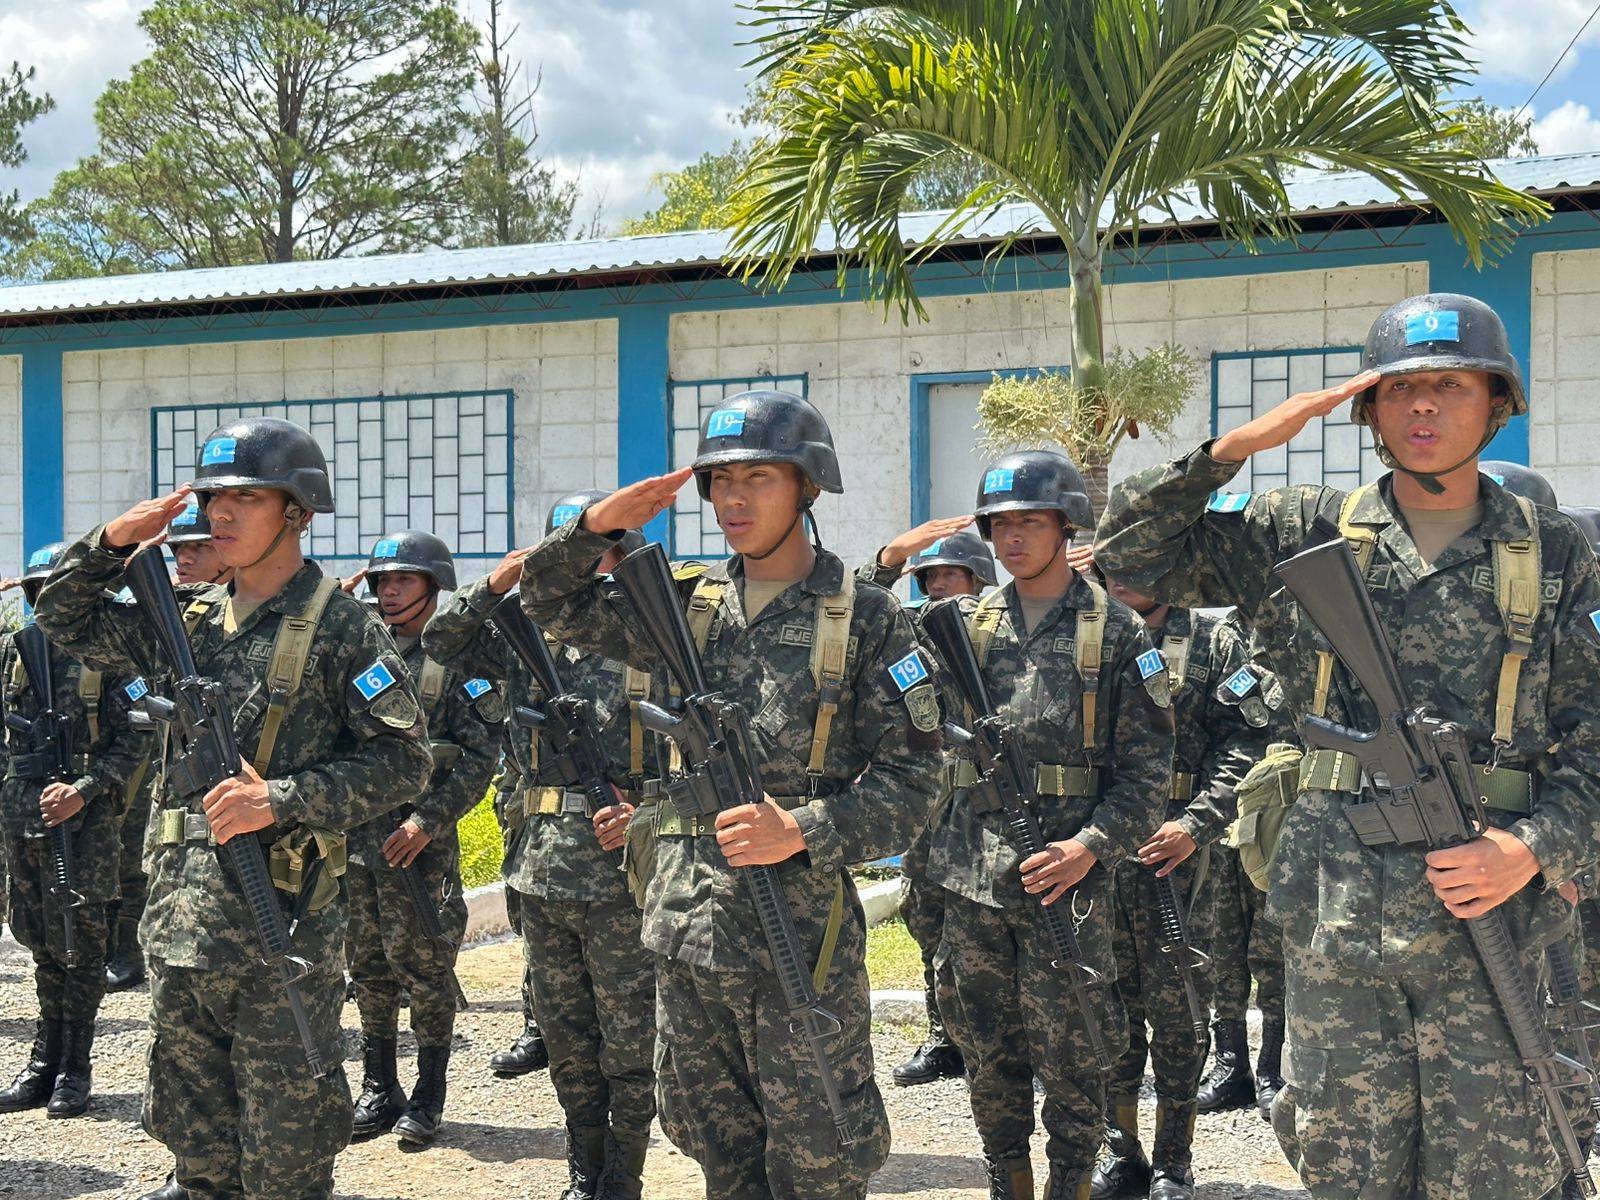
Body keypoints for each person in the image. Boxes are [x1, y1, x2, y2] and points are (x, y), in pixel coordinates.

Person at [1096, 292, 1600, 1199]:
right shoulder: (1302, 529)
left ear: (1496, 402)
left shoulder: (1560, 553)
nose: (1423, 408)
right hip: (1339, 917)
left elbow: (1595, 738)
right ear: (1368, 408)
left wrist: (1529, 849)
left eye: (1450, 385)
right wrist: (1230, 451)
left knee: (1501, 1170)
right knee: (1346, 1166)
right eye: (1400, 388)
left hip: (1492, 920)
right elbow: (1126, 558)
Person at [520, 390, 940, 1200]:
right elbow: (546, 602)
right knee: (719, 1153)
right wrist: (595, 526)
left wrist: (808, 827)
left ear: (808, 486)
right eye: (720, 481)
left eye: (759, 477)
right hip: (687, 930)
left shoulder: (871, 620)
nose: (734, 499)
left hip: (799, 941)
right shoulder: (677, 605)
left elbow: (917, 777)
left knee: (820, 1154)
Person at [34, 416, 432, 1200]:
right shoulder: (185, 620)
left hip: (279, 932)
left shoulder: (345, 627)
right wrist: (113, 541)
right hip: (181, 931)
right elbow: (61, 615)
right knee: (196, 1152)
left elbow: (404, 760)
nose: (220, 514)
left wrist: (277, 798)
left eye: (245, 497)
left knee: (285, 1162)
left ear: (297, 508)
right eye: (214, 497)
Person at [925, 450, 1172, 1200]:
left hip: (1067, 884)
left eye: (1029, 522)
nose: (1012, 539)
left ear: (1066, 525)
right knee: (986, 1048)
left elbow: (1148, 775)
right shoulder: (958, 628)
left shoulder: (1118, 632)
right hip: (973, 879)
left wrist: (1087, 848)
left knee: (1075, 1053)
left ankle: (1071, 1185)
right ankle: (1008, 1181)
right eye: (1000, 524)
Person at [424, 494, 658, 1199]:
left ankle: (624, 1176)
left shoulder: (653, 632)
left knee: (629, 1040)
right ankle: (584, 1172)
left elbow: (697, 747)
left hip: (626, 874)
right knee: (567, 1039)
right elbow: (439, 642)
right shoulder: (525, 630)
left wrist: (647, 815)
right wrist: (498, 582)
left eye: (593, 552)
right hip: (542, 869)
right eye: (565, 552)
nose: (579, 568)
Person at [1087, 569, 1256, 1200]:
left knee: (1180, 1011)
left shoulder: (1213, 642)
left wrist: (1197, 824)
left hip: (1179, 858)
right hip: (1098, 857)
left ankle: (1173, 1160)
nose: (1124, 579)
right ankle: (1121, 1151)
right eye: (1113, 566)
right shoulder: (1090, 634)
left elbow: (1250, 741)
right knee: (1107, 1009)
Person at [344, 531, 499, 1148]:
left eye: (403, 579)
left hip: (420, 848)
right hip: (360, 839)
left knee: (428, 968)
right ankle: (380, 1088)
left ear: (434, 586)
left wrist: (428, 820)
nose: (388, 590)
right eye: (381, 580)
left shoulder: (461, 660)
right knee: (368, 967)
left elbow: (480, 757)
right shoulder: (359, 652)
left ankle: (428, 1096)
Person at [0, 542, 147, 1120]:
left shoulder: (112, 658)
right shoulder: (15, 652)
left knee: (80, 944)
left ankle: (73, 1068)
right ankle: (42, 1061)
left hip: (85, 825)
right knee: (39, 940)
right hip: (23, 818)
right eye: (38, 593)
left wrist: (85, 789)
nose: (46, 604)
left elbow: (137, 739)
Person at [860, 521, 994, 1087]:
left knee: (985, 925)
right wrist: (891, 557)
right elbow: (861, 607)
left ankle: (993, 1038)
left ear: (978, 578)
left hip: (984, 802)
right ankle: (945, 1040)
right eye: (931, 577)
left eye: (951, 575)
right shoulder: (908, 631)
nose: (940, 585)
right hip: (928, 800)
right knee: (926, 915)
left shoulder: (1001, 629)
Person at [105, 500, 231, 996]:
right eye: (177, 549)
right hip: (175, 779)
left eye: (198, 547)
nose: (184, 558)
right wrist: (114, 544)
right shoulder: (169, 614)